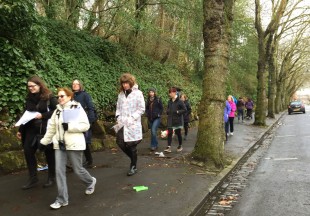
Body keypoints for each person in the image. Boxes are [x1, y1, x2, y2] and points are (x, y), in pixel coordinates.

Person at [40, 87, 96, 209]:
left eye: (62, 96)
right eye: (58, 96)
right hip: (59, 144)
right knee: (59, 172)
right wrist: (43, 142)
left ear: (69, 97)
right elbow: (51, 129)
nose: (59, 98)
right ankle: (62, 199)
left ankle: (90, 181)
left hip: (74, 144)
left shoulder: (77, 108)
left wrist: (70, 126)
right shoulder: (57, 111)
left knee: (78, 169)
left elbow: (85, 126)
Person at [16, 75, 57, 189]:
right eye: (29, 86)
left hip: (44, 129)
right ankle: (33, 178)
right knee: (28, 152)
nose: (31, 88)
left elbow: (57, 111)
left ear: (39, 85)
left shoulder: (49, 97)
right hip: (29, 129)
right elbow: (26, 114)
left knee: (49, 153)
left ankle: (51, 177)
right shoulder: (29, 98)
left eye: (33, 86)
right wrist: (20, 130)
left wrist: (43, 115)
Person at [114, 73, 145, 176]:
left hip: (132, 123)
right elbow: (118, 107)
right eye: (123, 83)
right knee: (120, 142)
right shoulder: (121, 94)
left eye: (126, 83)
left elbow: (141, 108)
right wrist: (118, 116)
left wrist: (132, 118)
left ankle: (133, 166)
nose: (124, 85)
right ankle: (133, 158)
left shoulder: (138, 93)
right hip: (122, 123)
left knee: (131, 145)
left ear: (131, 82)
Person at [72, 79, 97, 168]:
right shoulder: (71, 96)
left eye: (76, 84)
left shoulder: (85, 95)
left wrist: (90, 121)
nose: (74, 85)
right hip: (74, 122)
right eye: (73, 84)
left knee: (85, 142)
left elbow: (90, 107)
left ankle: (89, 161)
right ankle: (78, 162)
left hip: (84, 121)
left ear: (80, 85)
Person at [164, 87, 186, 153]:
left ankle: (180, 145)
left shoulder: (180, 101)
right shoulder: (169, 101)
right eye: (169, 93)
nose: (170, 94)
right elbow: (168, 108)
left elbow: (185, 110)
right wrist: (167, 111)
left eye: (171, 93)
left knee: (178, 133)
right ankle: (168, 147)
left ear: (174, 93)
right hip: (170, 119)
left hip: (177, 120)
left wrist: (178, 112)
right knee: (170, 133)